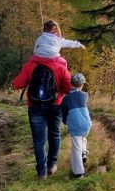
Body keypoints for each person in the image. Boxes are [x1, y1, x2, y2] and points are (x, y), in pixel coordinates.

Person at [13, 47, 73, 180]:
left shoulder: (30, 65)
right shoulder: (61, 66)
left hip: (35, 106)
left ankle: (41, 172)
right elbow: (69, 88)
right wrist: (59, 93)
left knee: (39, 140)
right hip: (55, 106)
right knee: (55, 135)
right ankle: (52, 165)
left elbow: (16, 84)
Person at [61, 73, 92, 178]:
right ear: (82, 85)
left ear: (71, 84)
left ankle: (78, 173)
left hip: (75, 124)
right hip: (87, 123)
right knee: (83, 137)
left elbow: (64, 114)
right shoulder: (85, 95)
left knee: (76, 148)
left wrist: (65, 122)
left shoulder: (66, 99)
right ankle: (84, 152)